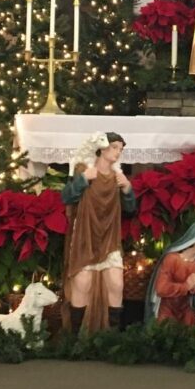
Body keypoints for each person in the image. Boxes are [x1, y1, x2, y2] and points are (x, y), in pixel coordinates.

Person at [62, 132, 135, 334]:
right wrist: (83, 179)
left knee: (116, 283)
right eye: (114, 147)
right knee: (82, 284)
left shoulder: (118, 178)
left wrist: (127, 189)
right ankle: (74, 337)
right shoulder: (85, 171)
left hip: (109, 236)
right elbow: (67, 197)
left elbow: (130, 209)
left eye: (121, 149)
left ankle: (112, 337)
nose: (118, 152)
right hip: (86, 235)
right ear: (102, 148)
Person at [144, 221, 195, 326]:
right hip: (167, 310)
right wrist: (186, 286)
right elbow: (161, 288)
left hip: (184, 310)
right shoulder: (172, 259)